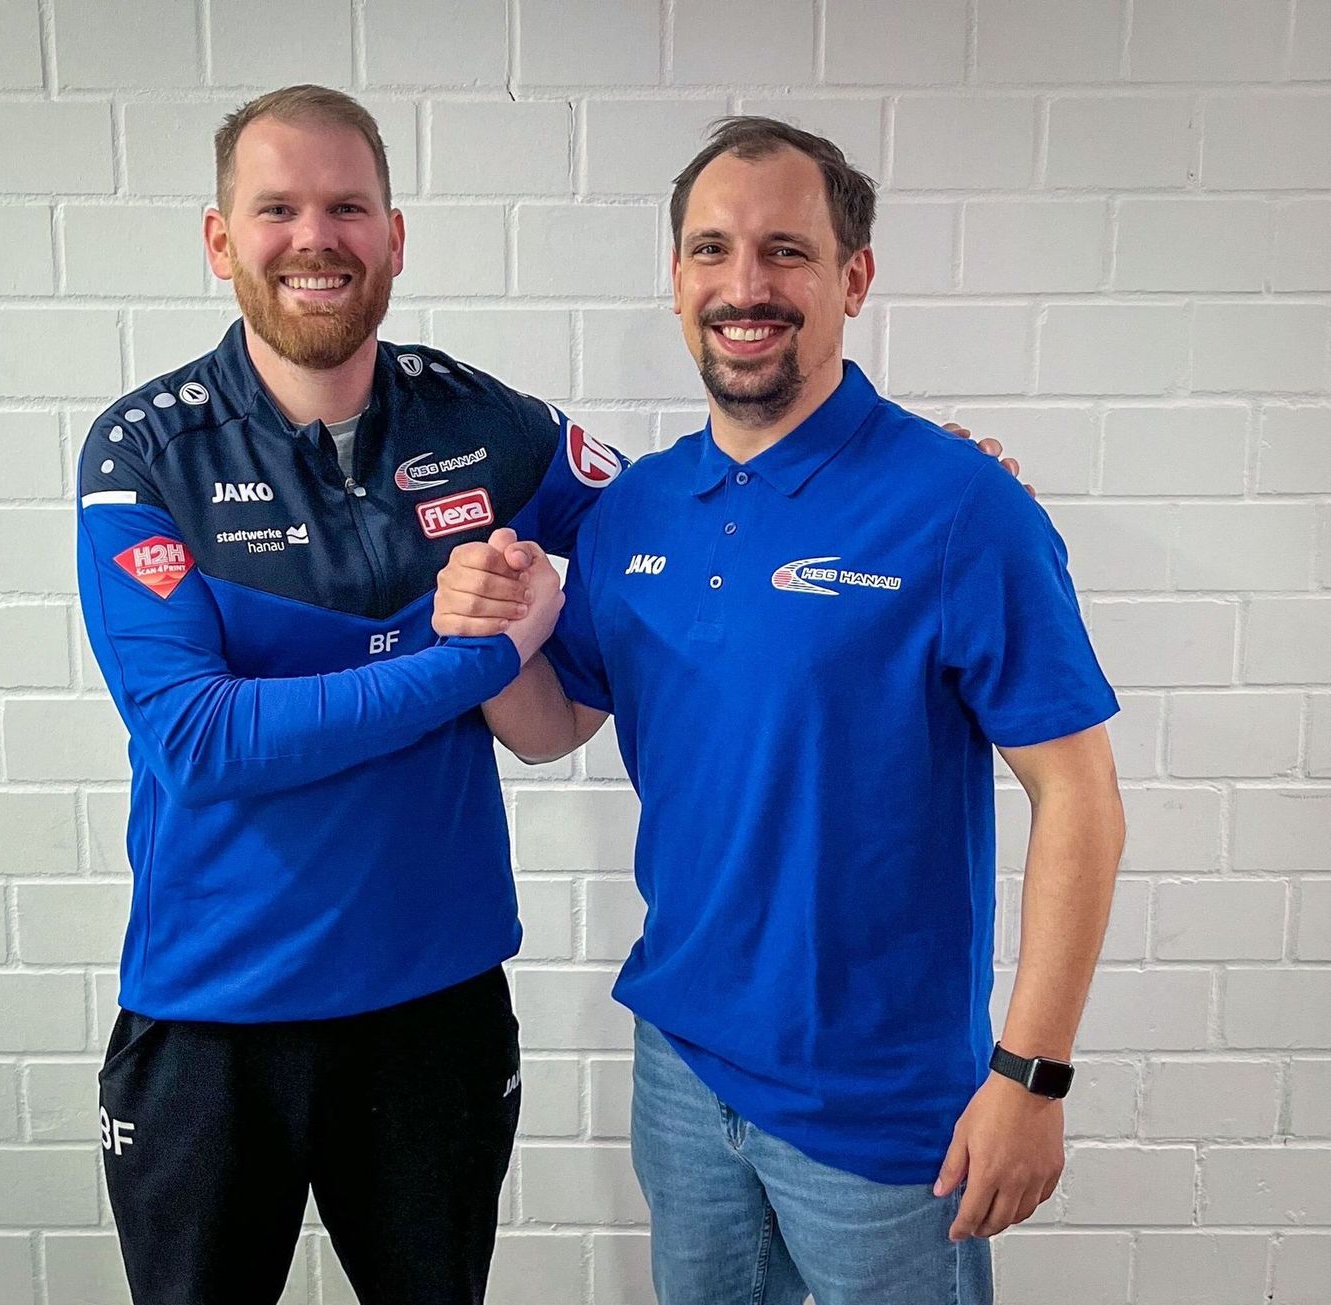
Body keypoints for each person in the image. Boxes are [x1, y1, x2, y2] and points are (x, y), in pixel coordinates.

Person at [77, 86, 1026, 1304]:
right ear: (222, 241)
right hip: (212, 1014)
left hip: (432, 1009)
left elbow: (683, 515)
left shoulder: (485, 423)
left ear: (394, 237)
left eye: (347, 208)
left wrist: (909, 485)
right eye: (278, 210)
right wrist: (471, 660)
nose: (315, 237)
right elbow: (198, 741)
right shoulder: (144, 450)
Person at [432, 117, 1126, 1305]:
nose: (744, 286)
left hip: (884, 1103)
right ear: (675, 280)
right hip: (682, 1066)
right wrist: (488, 638)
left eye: (785, 252)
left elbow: (1079, 797)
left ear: (853, 277)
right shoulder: (636, 509)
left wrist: (1031, 1076)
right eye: (712, 250)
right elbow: (551, 731)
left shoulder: (959, 507)